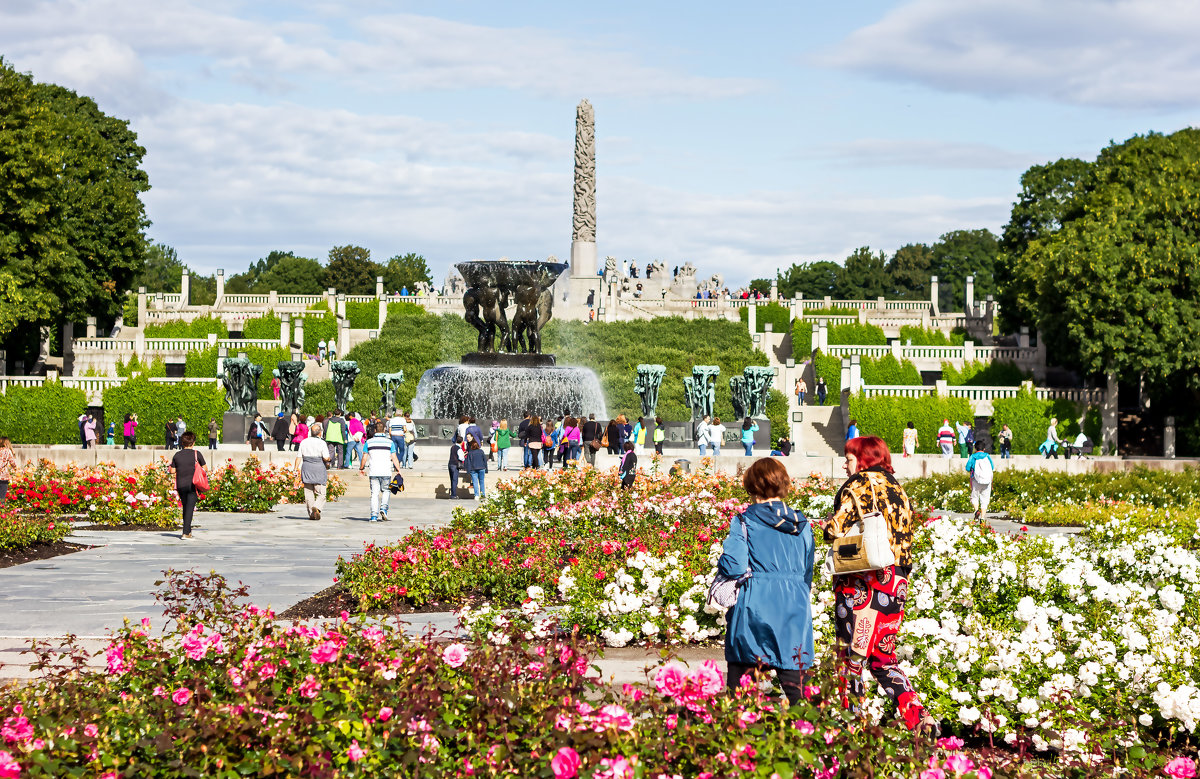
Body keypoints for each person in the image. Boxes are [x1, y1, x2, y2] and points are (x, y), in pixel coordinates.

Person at [822, 436, 929, 731]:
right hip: (896, 581)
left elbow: (835, 529)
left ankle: (851, 723)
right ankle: (919, 718)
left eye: (850, 458)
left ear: (863, 459)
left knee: (852, 657)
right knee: (884, 658)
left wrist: (824, 525)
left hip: (862, 582)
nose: (846, 464)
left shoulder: (859, 484)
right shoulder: (897, 486)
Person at [718, 457, 814, 704]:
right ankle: (813, 736)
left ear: (753, 487)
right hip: (795, 603)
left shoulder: (745, 520)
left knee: (743, 687)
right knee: (798, 685)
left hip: (756, 603)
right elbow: (807, 571)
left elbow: (735, 565)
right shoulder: (801, 524)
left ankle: (746, 737)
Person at [169, 431, 205, 540]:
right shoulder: (196, 454)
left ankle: (188, 531)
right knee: (189, 508)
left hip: (180, 485)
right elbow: (205, 468)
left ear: (182, 443)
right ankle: (185, 533)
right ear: (193, 443)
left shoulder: (177, 455)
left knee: (186, 507)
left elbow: (172, 471)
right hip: (192, 484)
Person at [361, 425, 402, 521]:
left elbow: (364, 457)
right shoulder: (390, 442)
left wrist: (361, 468)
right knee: (386, 491)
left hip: (373, 471)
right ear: (384, 430)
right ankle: (383, 508)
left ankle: (374, 516)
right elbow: (394, 457)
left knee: (374, 494)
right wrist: (398, 469)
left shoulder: (369, 442)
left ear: (375, 430)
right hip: (386, 471)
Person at [297, 422, 331, 521]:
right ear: (320, 433)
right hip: (318, 468)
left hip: (307, 467)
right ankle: (316, 507)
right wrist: (329, 459)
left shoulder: (304, 442)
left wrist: (295, 468)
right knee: (321, 493)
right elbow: (325, 457)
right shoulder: (322, 443)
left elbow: (299, 456)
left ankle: (312, 513)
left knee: (308, 492)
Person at [965, 440, 996, 520]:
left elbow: (967, 468)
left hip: (976, 480)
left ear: (975, 448)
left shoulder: (973, 456)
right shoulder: (987, 456)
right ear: (984, 449)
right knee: (985, 500)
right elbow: (992, 468)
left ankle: (976, 511)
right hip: (987, 481)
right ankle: (982, 518)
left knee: (974, 497)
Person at [0, 437, 17, 505]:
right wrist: (15, 468)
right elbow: (12, 462)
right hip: (3, 475)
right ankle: (1, 508)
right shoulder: (7, 451)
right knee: (2, 494)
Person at [447, 434, 464, 499]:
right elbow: (461, 458)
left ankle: (452, 493)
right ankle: (453, 495)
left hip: (450, 464)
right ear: (462, 442)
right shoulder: (459, 448)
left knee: (452, 480)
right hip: (455, 465)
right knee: (455, 480)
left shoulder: (452, 447)